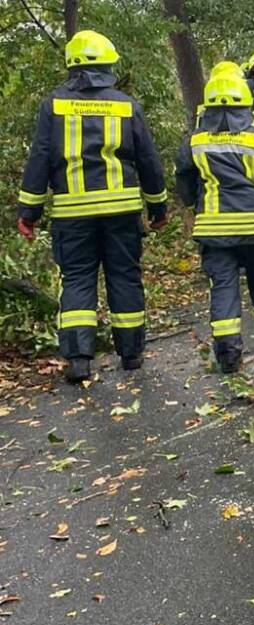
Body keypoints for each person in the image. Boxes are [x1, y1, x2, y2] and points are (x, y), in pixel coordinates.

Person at [15, 30, 168, 383]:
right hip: (121, 212)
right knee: (124, 276)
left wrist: (28, 212)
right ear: (108, 65)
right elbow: (148, 159)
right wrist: (158, 207)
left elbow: (40, 158)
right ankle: (131, 355)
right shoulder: (126, 105)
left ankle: (79, 359)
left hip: (73, 214)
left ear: (72, 66)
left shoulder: (54, 105)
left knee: (78, 279)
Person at [175, 72, 254, 374]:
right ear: (246, 105)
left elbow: (183, 178)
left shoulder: (195, 141)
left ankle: (228, 355)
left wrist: (193, 203)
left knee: (222, 287)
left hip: (213, 233)